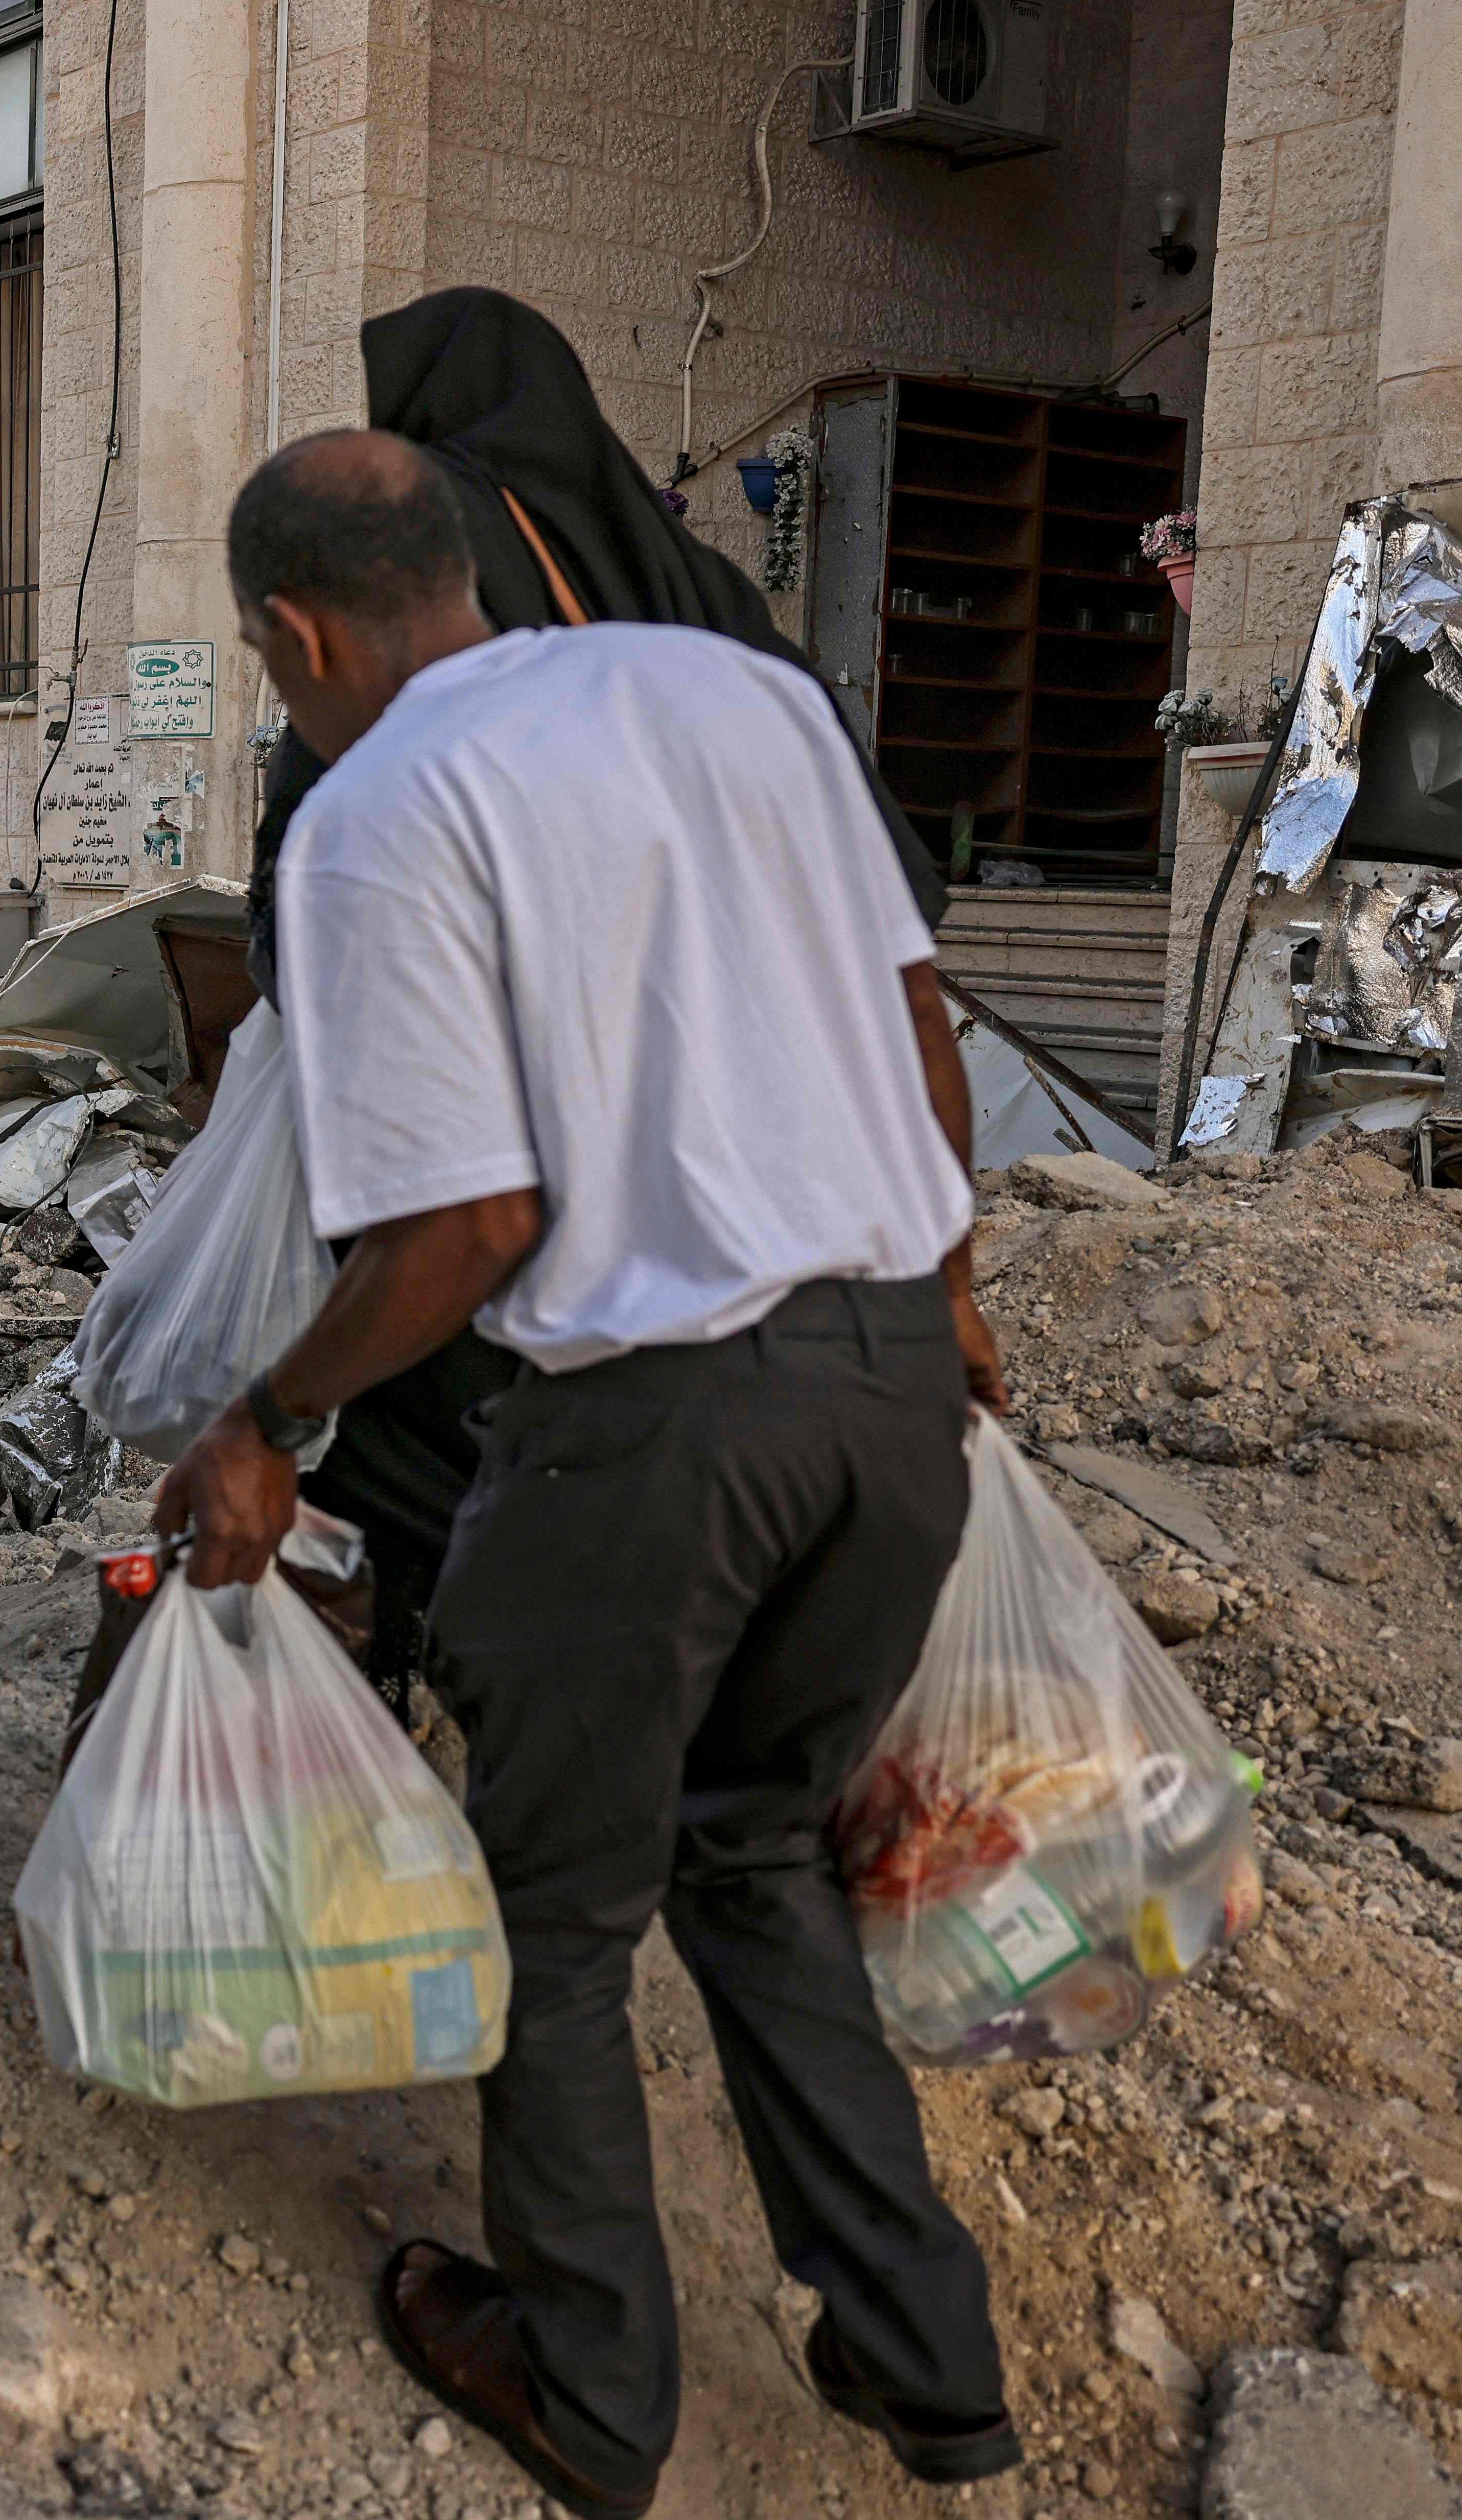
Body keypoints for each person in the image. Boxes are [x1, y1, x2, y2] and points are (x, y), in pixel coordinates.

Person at [158, 430, 1016, 2520]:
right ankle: (927, 2361)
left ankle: (588, 2384)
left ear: (296, 632)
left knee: (549, 1911)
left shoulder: (374, 815)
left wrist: (265, 1416)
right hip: (894, 1385)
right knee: (752, 1854)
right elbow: (923, 1031)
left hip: (656, 1433)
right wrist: (955, 1292)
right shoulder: (744, 692)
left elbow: (466, 1233)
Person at [248, 290, 950, 1707]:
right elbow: (897, 939)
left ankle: (445, 1705)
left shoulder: (427, 614)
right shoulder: (699, 607)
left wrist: (260, 1418)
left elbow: (453, 1189)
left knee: (442, 1410)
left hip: (545, 1192)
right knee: (743, 1833)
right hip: (805, 1218)